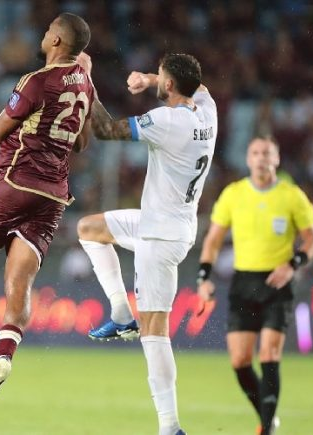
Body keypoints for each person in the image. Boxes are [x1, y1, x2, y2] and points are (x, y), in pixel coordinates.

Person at [0, 13, 93, 410]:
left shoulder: (35, 81)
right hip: (54, 195)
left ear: (58, 41)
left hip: (15, 182)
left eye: (48, 31)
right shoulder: (85, 85)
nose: (43, 34)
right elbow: (80, 143)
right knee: (21, 281)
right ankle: (4, 356)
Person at [76, 53, 216, 435]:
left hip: (160, 237)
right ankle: (121, 314)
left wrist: (86, 80)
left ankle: (169, 427)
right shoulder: (207, 110)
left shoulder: (168, 121)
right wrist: (150, 78)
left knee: (155, 331)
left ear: (170, 86)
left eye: (162, 80)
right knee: (89, 228)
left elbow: (106, 130)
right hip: (168, 223)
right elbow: (194, 86)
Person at [196, 137, 313, 435]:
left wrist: (293, 264)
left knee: (269, 354)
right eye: (255, 153)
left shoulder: (292, 196)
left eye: (267, 153)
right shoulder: (234, 194)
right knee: (240, 361)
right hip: (244, 283)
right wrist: (204, 278)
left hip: (277, 284)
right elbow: (213, 241)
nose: (261, 158)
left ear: (277, 159)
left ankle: (266, 428)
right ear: (248, 159)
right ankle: (268, 416)